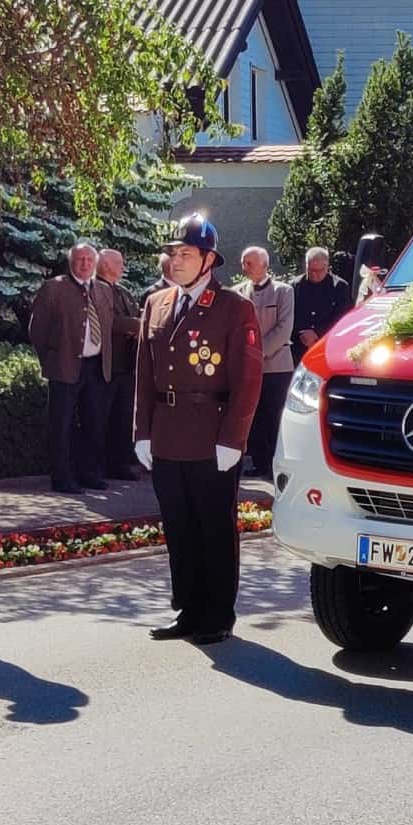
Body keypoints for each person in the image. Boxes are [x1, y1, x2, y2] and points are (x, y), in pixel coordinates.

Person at [135, 213, 261, 645]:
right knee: (179, 526)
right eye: (172, 253)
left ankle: (217, 614)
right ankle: (188, 609)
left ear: (208, 259)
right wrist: (141, 430)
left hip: (211, 435)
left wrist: (233, 438)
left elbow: (248, 380)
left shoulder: (234, 308)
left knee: (213, 526)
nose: (176, 261)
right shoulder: (157, 303)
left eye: (186, 254)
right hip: (167, 432)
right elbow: (144, 373)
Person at [29, 242, 117, 493]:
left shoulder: (103, 290)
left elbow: (108, 326)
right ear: (71, 262)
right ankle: (62, 478)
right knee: (61, 425)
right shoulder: (54, 288)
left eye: (89, 259)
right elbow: (38, 329)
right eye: (80, 259)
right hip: (64, 366)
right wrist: (51, 359)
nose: (85, 264)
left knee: (94, 423)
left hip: (96, 366)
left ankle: (89, 473)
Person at [233, 246, 294, 479]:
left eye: (249, 263)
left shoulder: (283, 291)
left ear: (264, 265)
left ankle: (274, 465)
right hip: (247, 367)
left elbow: (284, 328)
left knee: (274, 416)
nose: (244, 267)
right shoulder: (237, 293)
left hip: (276, 366)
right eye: (243, 262)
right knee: (254, 415)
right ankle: (259, 462)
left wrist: (257, 353)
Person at [98, 248, 141, 481]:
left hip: (127, 365)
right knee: (102, 417)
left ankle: (119, 463)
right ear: (105, 265)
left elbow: (135, 314)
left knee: (123, 417)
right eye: (119, 263)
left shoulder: (123, 291)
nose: (123, 267)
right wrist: (137, 325)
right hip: (106, 365)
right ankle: (98, 466)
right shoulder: (96, 289)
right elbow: (107, 321)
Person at [291, 246, 350, 364]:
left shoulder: (339, 286)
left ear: (327, 267)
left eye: (319, 271)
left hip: (327, 344)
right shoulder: (294, 286)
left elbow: (342, 318)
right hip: (298, 345)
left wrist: (317, 332)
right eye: (311, 270)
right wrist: (301, 332)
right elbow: (288, 315)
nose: (314, 274)